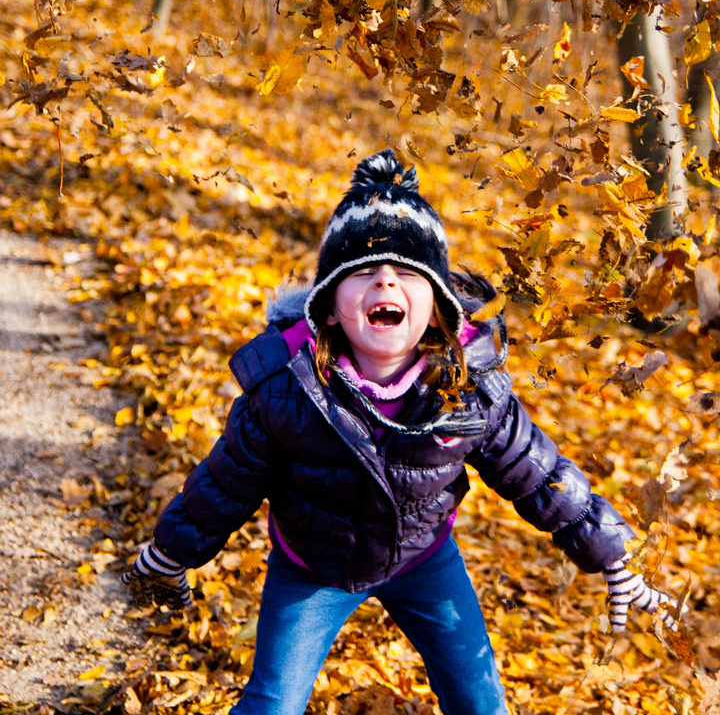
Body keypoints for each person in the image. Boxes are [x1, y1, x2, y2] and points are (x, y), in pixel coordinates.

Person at [122, 149, 677, 715]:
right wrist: (170, 554)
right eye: (362, 271)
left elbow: (538, 475)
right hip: (313, 566)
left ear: (436, 311)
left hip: (422, 558)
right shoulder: (285, 388)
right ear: (328, 309)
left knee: (481, 699)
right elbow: (225, 483)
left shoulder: (468, 389)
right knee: (272, 702)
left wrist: (612, 557)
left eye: (408, 273)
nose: (386, 279)